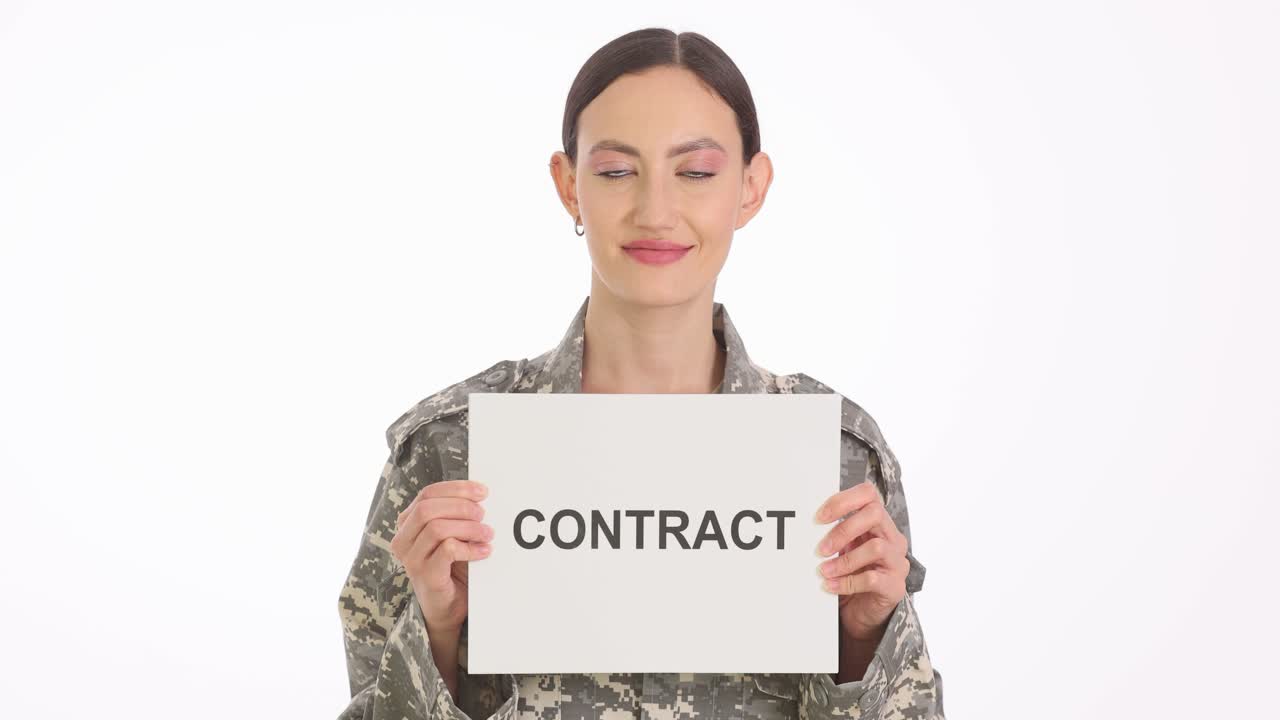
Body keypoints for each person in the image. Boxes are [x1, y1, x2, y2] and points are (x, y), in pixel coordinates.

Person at [336, 27, 944, 720]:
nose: (656, 212)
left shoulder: (835, 461)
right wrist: (438, 631)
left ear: (751, 187)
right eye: (617, 171)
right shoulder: (451, 452)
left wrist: (864, 641)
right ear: (569, 187)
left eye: (695, 172)